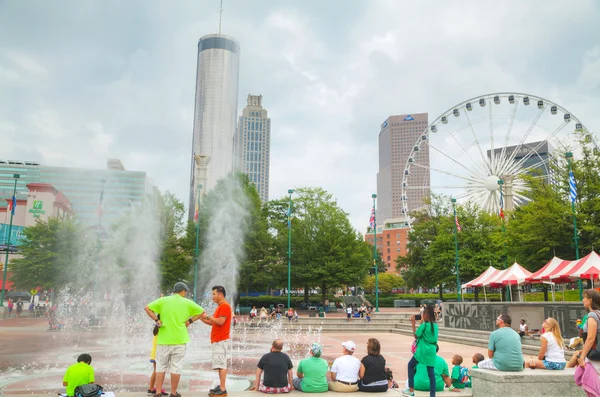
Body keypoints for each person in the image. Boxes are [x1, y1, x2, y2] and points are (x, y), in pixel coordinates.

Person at [144, 282, 207, 397]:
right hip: (180, 340)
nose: (186, 294)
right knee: (176, 367)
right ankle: (173, 393)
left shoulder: (163, 301)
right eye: (185, 292)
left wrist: (156, 320)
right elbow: (202, 312)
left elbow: (147, 308)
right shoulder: (187, 302)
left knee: (160, 366)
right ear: (183, 291)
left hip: (163, 339)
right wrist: (190, 321)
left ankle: (158, 392)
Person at [200, 286, 232, 397]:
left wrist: (208, 316)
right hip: (217, 340)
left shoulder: (224, 306)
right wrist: (201, 318)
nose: (212, 296)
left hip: (221, 339)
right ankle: (221, 386)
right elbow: (212, 322)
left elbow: (220, 322)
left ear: (220, 294)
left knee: (221, 364)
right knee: (219, 364)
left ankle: (223, 389)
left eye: (214, 294)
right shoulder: (220, 307)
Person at [403, 305, 438, 397]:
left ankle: (411, 389)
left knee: (410, 365)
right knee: (431, 374)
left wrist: (413, 324)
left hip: (422, 351)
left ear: (426, 315)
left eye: (423, 314)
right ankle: (432, 395)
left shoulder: (424, 325)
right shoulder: (435, 326)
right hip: (431, 351)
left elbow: (416, 335)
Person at [568, 289, 600, 368]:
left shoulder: (592, 315)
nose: (582, 300)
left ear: (590, 300)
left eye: (584, 297)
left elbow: (591, 338)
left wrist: (582, 357)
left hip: (594, 353)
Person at [148, 315, 167, 396]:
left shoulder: (157, 328)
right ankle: (152, 388)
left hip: (155, 353)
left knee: (156, 371)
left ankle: (152, 388)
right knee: (158, 371)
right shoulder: (161, 328)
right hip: (158, 353)